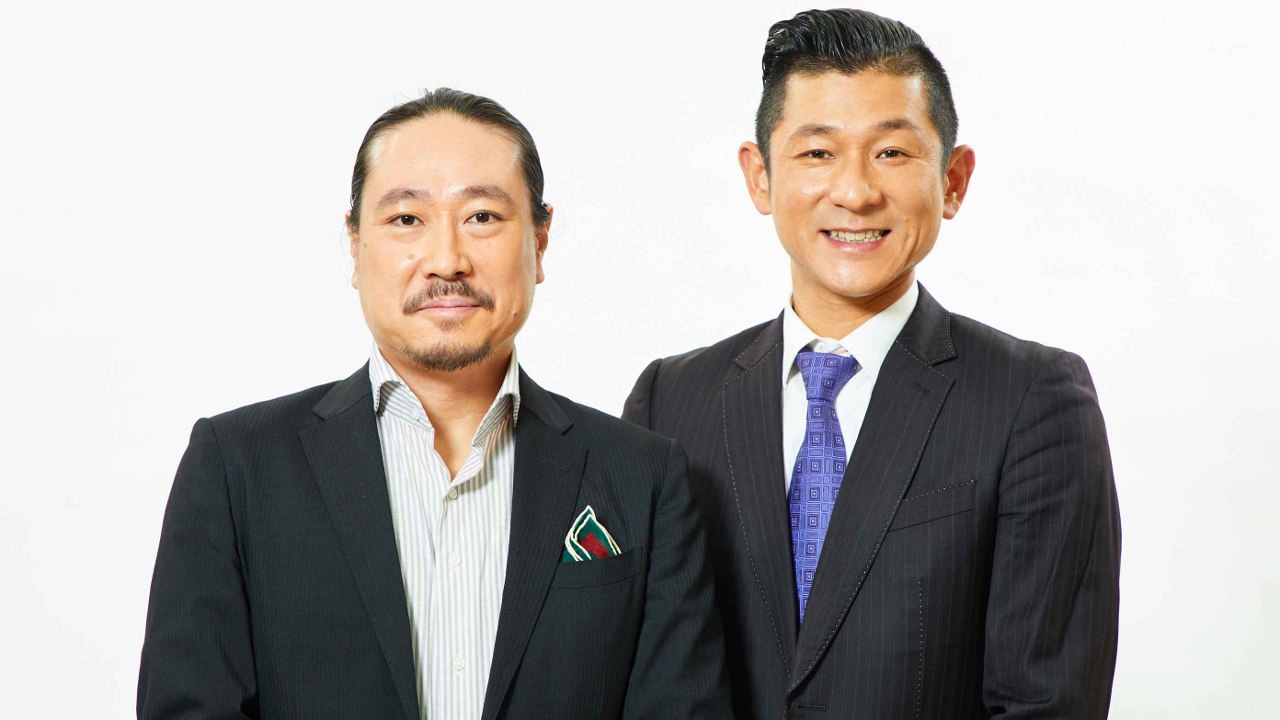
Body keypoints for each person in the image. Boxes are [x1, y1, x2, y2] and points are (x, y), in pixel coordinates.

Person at [139, 88, 731, 720]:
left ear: (540, 242)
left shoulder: (642, 476)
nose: (447, 260)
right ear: (354, 244)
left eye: (482, 216)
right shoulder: (237, 468)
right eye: (405, 220)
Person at [623, 9, 1120, 719]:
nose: (855, 192)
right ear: (760, 176)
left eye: (891, 152)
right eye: (817, 153)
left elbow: (1048, 704)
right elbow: (645, 682)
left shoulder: (1032, 400)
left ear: (953, 179)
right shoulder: (671, 400)